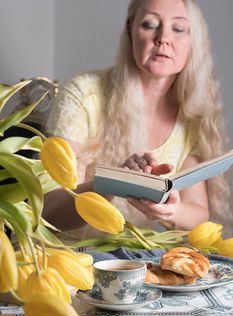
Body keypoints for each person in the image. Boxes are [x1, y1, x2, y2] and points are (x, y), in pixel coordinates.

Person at [44, 0, 231, 240]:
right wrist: (116, 182)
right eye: (150, 24)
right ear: (130, 32)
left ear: (193, 41)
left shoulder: (192, 113)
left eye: (178, 28)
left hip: (133, 264)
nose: (163, 38)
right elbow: (48, 210)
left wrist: (169, 209)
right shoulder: (84, 94)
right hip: (69, 260)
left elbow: (197, 214)